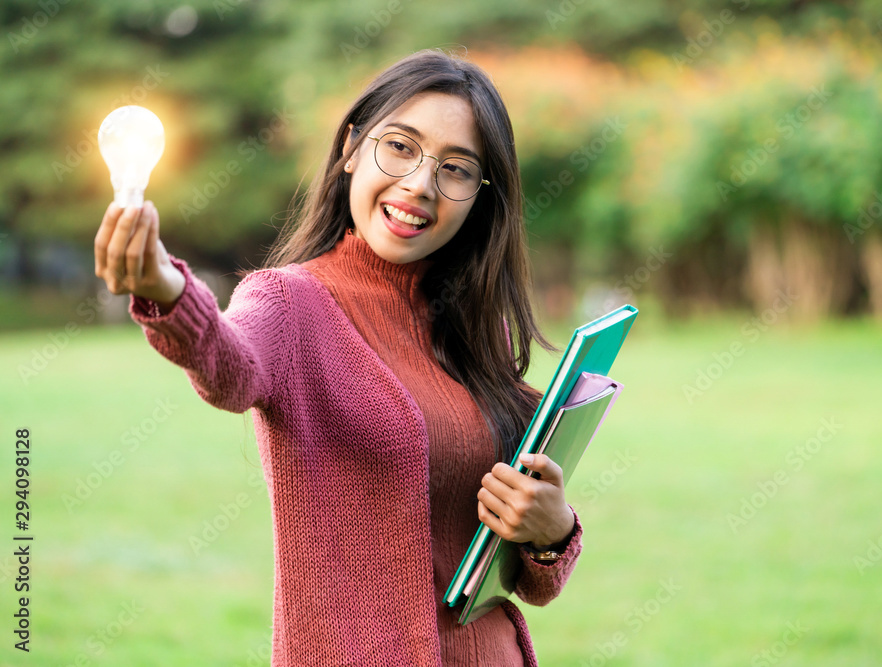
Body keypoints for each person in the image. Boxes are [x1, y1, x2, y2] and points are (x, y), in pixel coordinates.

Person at [93, 50, 583, 666]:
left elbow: (532, 583)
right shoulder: (291, 302)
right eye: (400, 147)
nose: (420, 185)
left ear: (480, 196)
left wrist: (552, 530)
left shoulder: (472, 330)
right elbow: (229, 365)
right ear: (352, 147)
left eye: (456, 168)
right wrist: (165, 287)